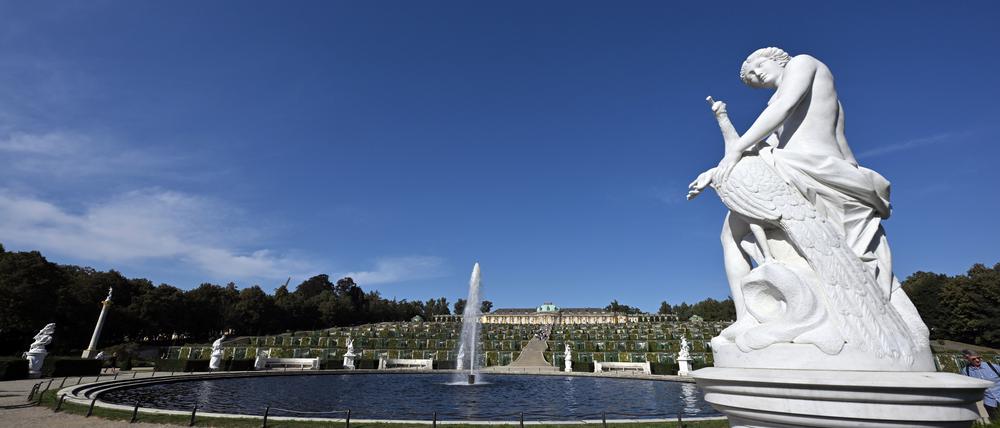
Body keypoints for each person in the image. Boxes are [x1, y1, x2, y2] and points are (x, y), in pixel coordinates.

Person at [687, 47, 927, 345]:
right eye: (751, 78)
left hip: (817, 167)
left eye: (757, 66)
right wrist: (722, 129)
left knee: (849, 257)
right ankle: (747, 316)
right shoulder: (775, 103)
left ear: (776, 57)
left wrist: (733, 157)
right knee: (730, 233)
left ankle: (848, 321)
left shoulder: (804, 64)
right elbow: (747, 150)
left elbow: (783, 109)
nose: (756, 75)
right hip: (791, 168)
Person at [961, 349, 1000, 421]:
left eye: (978, 358)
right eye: (974, 359)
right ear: (967, 359)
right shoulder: (965, 372)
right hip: (990, 404)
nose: (977, 360)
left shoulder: (992, 366)